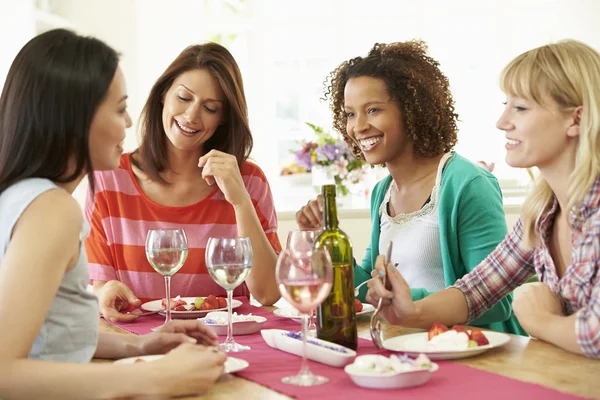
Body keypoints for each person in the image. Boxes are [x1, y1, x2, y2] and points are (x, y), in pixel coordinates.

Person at [0, 29, 227, 398]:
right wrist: (154, 379)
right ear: (76, 117)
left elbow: (49, 337)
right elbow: (4, 373)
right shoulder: (51, 209)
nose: (128, 124)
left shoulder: (23, 196)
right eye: (120, 109)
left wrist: (137, 347)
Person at [367, 39, 600, 359]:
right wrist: (411, 312)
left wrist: (539, 320)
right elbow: (477, 289)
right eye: (506, 105)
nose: (502, 122)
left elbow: (596, 334)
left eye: (520, 107)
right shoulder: (543, 210)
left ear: (575, 120)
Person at [296, 40, 525, 335]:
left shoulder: (466, 183)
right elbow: (368, 286)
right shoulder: (383, 192)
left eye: (374, 110)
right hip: (410, 345)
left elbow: (498, 302)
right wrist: (325, 243)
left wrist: (409, 305)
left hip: (473, 352)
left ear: (413, 110)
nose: (358, 126)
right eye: (350, 113)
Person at [85, 42, 282, 322]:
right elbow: (101, 288)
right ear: (163, 94)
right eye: (184, 97)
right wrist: (104, 293)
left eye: (210, 108)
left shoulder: (248, 181)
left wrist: (240, 201)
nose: (191, 116)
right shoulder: (109, 179)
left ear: (224, 118)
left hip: (226, 344)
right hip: (140, 343)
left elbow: (268, 293)